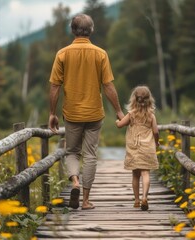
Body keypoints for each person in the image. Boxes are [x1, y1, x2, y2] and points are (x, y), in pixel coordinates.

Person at [48, 13, 124, 210]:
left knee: (72, 152)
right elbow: (108, 85)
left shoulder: (62, 54)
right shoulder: (100, 54)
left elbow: (55, 87)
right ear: (91, 30)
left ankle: (75, 182)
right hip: (94, 113)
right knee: (90, 154)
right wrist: (118, 111)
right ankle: (86, 200)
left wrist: (52, 114)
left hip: (71, 113)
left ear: (73, 31)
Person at [115, 85, 159, 211]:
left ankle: (137, 200)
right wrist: (157, 142)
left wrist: (117, 122)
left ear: (134, 99)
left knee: (135, 175)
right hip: (147, 147)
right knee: (146, 173)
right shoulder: (151, 115)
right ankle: (145, 197)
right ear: (149, 99)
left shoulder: (131, 114)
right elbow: (155, 132)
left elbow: (120, 125)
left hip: (134, 147)